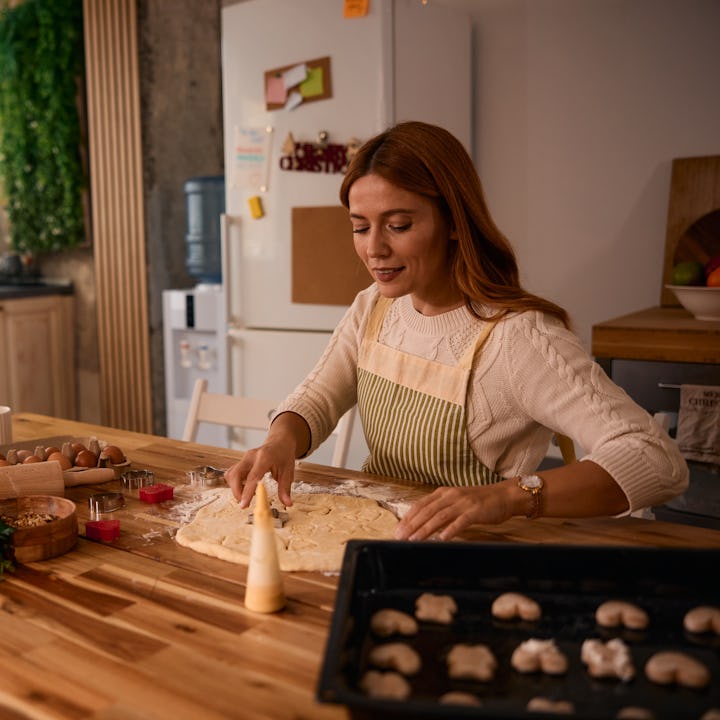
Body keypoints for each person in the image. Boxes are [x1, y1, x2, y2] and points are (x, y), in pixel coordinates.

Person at [225, 121, 688, 541]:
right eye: (360, 227)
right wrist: (281, 439)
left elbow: (656, 460)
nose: (374, 249)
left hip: (470, 557)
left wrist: (507, 497)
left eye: (399, 225)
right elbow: (319, 399)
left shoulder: (518, 337)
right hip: (387, 540)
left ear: (452, 222)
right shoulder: (374, 307)